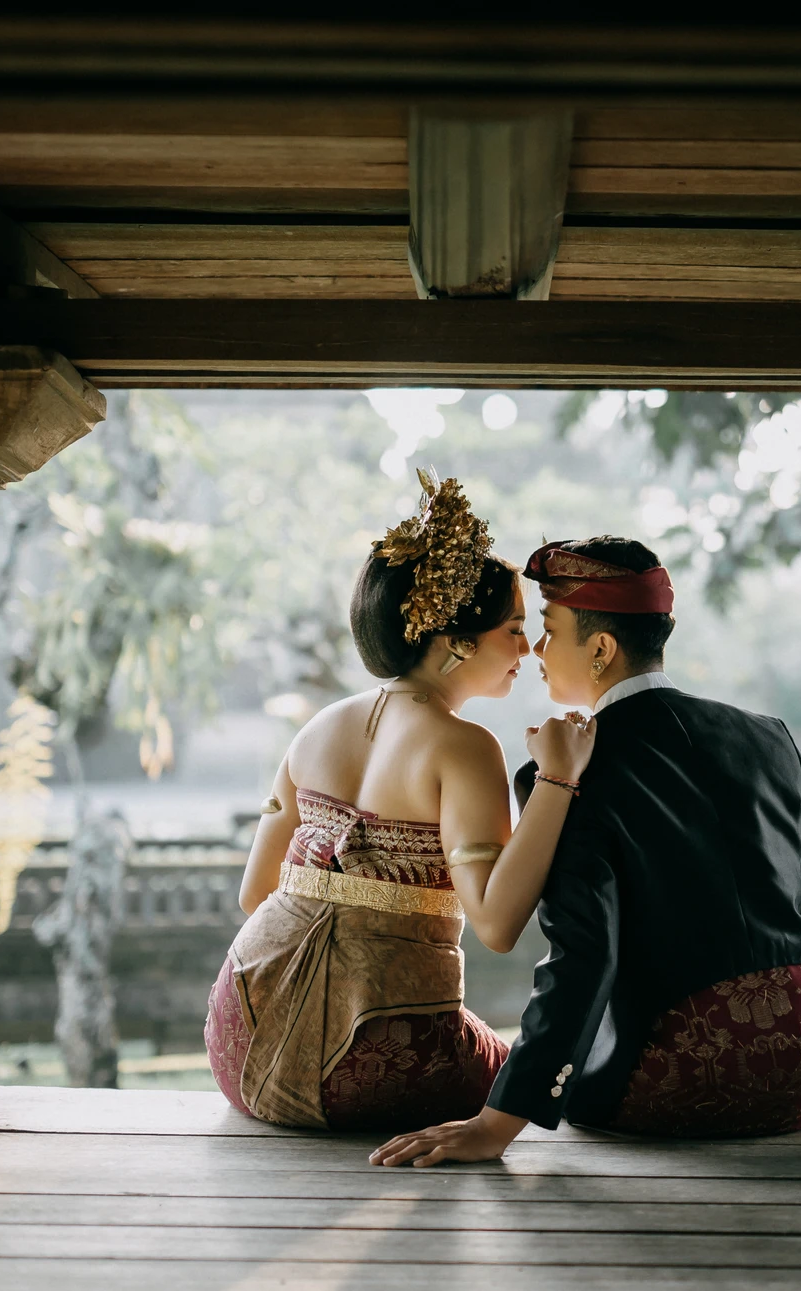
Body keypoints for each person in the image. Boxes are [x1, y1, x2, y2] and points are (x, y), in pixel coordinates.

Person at [371, 536, 801, 1167]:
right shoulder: (770, 736)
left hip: (684, 1084)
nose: (536, 651)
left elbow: (584, 958)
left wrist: (496, 1124)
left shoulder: (567, 773)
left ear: (601, 648)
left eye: (549, 631)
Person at [207, 473, 595, 1131]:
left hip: (237, 1042)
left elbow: (256, 895)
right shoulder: (465, 747)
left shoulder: (316, 728)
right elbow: (497, 926)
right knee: (560, 1080)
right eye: (513, 629)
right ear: (456, 641)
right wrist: (558, 781)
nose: (525, 650)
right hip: (374, 1068)